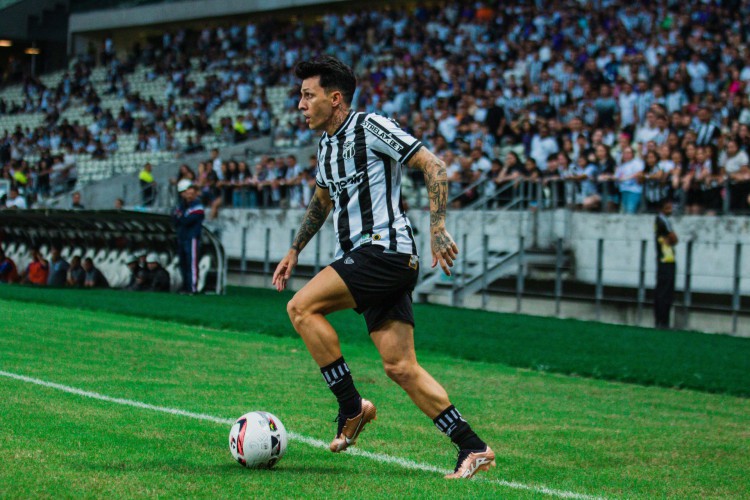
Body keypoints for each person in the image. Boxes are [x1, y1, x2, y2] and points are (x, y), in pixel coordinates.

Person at [272, 55, 494, 479]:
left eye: (307, 95)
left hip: (384, 251)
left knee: (301, 308)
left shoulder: (370, 126)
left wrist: (438, 226)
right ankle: (473, 446)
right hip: (372, 260)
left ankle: (351, 406)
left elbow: (434, 164)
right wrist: (295, 249)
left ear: (335, 98)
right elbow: (322, 201)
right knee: (400, 367)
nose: (300, 105)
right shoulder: (326, 147)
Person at [173, 179, 204, 294]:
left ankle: (193, 287)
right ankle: (186, 286)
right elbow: (175, 218)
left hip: (192, 237)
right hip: (182, 236)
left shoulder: (197, 206)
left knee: (192, 263)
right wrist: (180, 217)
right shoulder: (181, 205)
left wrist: (180, 217)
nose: (186, 194)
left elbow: (186, 220)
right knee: (183, 263)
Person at [654, 200, 678, 329]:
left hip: (662, 259)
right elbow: (674, 238)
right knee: (665, 291)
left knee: (660, 290)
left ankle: (659, 320)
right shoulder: (663, 220)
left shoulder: (658, 220)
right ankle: (663, 321)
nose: (671, 209)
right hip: (667, 259)